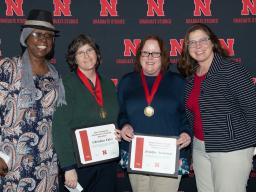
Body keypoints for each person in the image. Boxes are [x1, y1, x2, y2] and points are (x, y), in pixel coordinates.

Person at [178, 23, 256, 192]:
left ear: (213, 42)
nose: (198, 46)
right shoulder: (191, 78)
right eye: (192, 42)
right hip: (200, 148)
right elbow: (193, 115)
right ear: (187, 48)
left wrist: (251, 145)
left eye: (202, 40)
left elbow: (253, 108)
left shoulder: (231, 70)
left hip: (232, 148)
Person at [0, 9, 66, 191]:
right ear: (26, 37)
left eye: (48, 36)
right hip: (11, 160)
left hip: (47, 163)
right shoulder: (9, 67)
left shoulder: (55, 76)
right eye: (37, 34)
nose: (43, 40)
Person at [117, 35, 192, 192]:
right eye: (145, 53)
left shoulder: (178, 82)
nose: (150, 57)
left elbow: (188, 115)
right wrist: (124, 125)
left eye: (155, 53)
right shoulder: (127, 81)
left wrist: (186, 132)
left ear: (163, 56)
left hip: (169, 154)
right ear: (139, 56)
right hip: (136, 153)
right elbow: (121, 112)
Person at [52, 34, 121, 192]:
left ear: (97, 54)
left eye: (90, 50)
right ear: (74, 59)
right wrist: (68, 167)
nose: (86, 55)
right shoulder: (66, 85)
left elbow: (115, 117)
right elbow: (60, 128)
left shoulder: (109, 84)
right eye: (80, 52)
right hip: (79, 165)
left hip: (107, 162)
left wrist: (118, 131)